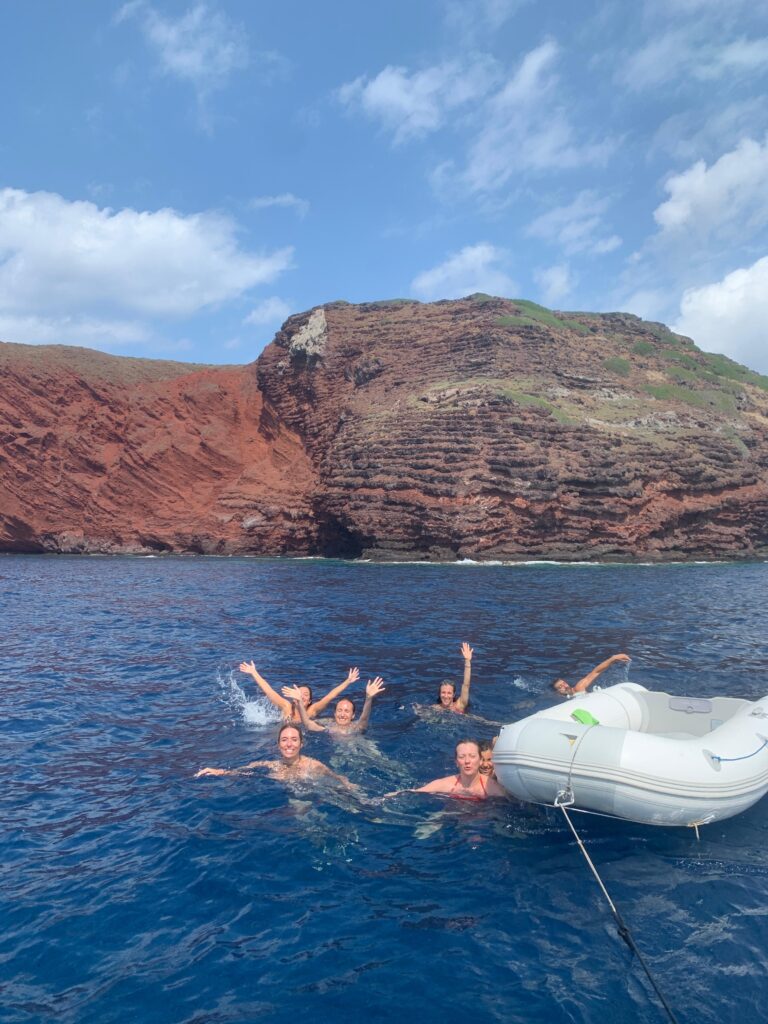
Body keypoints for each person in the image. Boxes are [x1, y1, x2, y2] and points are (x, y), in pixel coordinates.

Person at [194, 723, 358, 790]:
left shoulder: (313, 765)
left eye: (294, 740)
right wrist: (220, 772)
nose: (289, 744)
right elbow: (243, 772)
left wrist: (355, 791)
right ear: (278, 745)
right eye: (284, 740)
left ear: (301, 744)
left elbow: (339, 779)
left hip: (314, 796)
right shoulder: (269, 764)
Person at [239, 660, 360, 722]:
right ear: (292, 697)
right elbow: (269, 692)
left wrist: (348, 681)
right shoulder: (287, 707)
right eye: (298, 693)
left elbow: (330, 696)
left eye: (305, 695)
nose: (301, 696)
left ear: (309, 701)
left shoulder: (311, 711)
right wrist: (254, 672)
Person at [387, 739, 507, 801]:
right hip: (453, 815)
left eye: (472, 756)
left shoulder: (492, 788)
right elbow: (416, 791)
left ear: (480, 760)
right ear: (456, 762)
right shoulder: (446, 784)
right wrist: (391, 795)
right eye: (462, 757)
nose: (467, 761)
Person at [284, 677, 385, 735]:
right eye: (339, 710)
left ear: (353, 715)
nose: (342, 714)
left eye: (346, 711)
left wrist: (368, 698)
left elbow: (364, 719)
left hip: (360, 746)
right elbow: (308, 723)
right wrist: (299, 702)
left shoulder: (356, 726)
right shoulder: (329, 726)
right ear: (334, 713)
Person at [552, 653, 631, 697]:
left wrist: (612, 659)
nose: (564, 686)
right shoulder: (561, 699)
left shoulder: (579, 687)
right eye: (560, 687)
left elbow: (595, 672)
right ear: (558, 692)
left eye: (564, 683)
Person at [436, 642, 474, 714]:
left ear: (453, 695)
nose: (446, 696)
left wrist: (467, 661)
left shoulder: (460, 705)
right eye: (443, 692)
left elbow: (466, 685)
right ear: (439, 694)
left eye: (449, 693)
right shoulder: (435, 708)